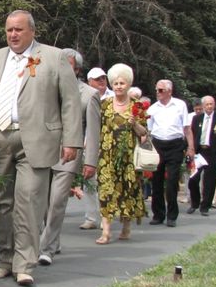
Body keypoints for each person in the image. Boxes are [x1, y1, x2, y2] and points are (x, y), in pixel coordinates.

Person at [0, 10, 82, 287]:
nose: (13, 35)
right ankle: (5, 259)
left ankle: (24, 264)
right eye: (9, 30)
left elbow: (69, 101)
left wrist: (72, 141)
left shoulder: (53, 57)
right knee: (2, 204)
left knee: (29, 203)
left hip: (36, 140)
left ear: (32, 31)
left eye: (19, 30)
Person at [38, 49, 100, 264]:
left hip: (70, 153)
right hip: (44, 150)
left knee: (57, 201)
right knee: (43, 202)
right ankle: (52, 239)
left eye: (67, 65)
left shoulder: (89, 95)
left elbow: (92, 131)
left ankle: (46, 248)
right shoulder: (47, 88)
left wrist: (91, 161)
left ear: (77, 69)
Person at [93, 63, 147, 244]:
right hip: (107, 155)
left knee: (127, 191)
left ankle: (126, 227)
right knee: (106, 191)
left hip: (128, 157)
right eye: (115, 83)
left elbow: (143, 133)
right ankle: (106, 232)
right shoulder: (105, 104)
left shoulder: (136, 106)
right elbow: (96, 127)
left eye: (122, 83)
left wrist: (134, 124)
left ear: (129, 84)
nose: (118, 87)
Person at [146, 79, 194, 227]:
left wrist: (191, 147)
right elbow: (148, 131)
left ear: (169, 91)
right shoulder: (153, 108)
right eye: (156, 90)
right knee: (157, 181)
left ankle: (172, 215)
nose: (157, 93)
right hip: (158, 144)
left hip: (175, 144)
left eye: (160, 90)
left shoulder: (180, 105)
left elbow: (186, 128)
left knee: (172, 181)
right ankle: (158, 214)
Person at [79, 67, 112, 230]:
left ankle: (106, 216)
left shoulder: (113, 98)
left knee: (107, 182)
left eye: (103, 78)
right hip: (89, 145)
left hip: (109, 145)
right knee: (89, 181)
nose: (101, 81)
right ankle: (91, 217)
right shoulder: (84, 96)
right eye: (97, 79)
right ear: (89, 81)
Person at [186, 96, 216, 216]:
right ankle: (194, 203)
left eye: (211, 104)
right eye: (207, 104)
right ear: (203, 106)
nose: (209, 106)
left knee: (209, 181)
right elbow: (192, 135)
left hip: (213, 153)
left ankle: (205, 206)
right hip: (199, 152)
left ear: (214, 105)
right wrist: (190, 149)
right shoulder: (196, 118)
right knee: (193, 179)